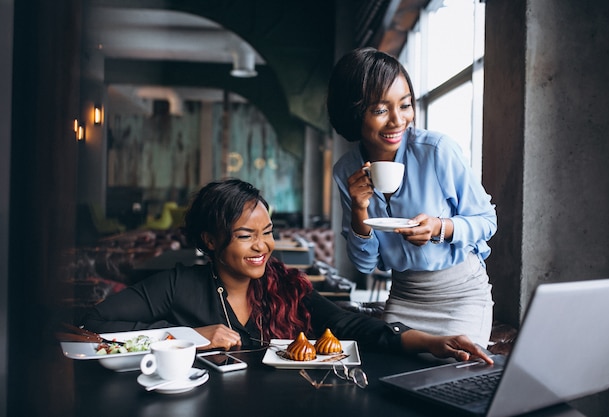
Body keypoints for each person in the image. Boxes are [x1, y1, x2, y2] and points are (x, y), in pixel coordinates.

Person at [82, 179, 491, 363]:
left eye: (268, 232)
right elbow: (94, 324)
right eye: (246, 235)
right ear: (209, 240)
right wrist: (188, 337)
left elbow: (348, 325)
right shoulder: (177, 286)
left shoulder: (283, 284)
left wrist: (429, 341)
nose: (263, 246)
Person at [329, 47, 497, 347]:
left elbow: (486, 220)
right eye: (381, 110)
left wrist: (439, 228)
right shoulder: (347, 171)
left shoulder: (437, 151)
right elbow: (366, 265)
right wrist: (358, 209)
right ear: (354, 112)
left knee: (452, 384)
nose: (398, 120)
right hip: (404, 297)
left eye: (405, 105)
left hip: (461, 295)